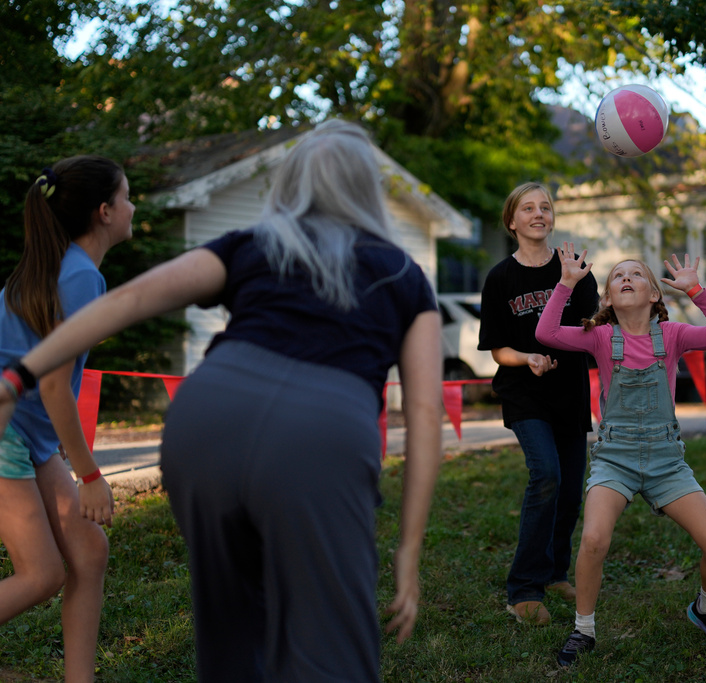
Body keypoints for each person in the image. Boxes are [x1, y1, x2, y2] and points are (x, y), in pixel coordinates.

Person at [0, 120, 443, 682]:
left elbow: (133, 299)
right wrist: (407, 548)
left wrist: (19, 377)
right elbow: (425, 413)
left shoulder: (252, 245)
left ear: (290, 186)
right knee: (333, 650)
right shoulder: (404, 274)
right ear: (369, 190)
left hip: (207, 420)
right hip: (323, 435)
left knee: (232, 639)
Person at [536, 244, 706, 666]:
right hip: (616, 460)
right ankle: (584, 630)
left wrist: (697, 291)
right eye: (617, 276)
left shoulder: (673, 335)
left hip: (667, 461)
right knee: (594, 539)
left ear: (654, 295)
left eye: (636, 274)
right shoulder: (599, 337)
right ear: (608, 298)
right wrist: (565, 283)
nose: (626, 278)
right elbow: (546, 335)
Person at [0, 155, 131, 682]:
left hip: (27, 438)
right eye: (126, 197)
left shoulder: (67, 269)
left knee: (88, 550)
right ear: (104, 212)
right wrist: (91, 476)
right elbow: (53, 384)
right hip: (6, 433)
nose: (132, 206)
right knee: (41, 574)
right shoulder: (79, 277)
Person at [477, 183, 599, 625]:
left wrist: (572, 285)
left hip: (568, 390)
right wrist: (527, 357)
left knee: (569, 489)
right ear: (512, 222)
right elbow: (497, 349)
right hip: (523, 391)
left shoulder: (576, 268)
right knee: (545, 474)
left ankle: (554, 574)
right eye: (527, 208)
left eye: (545, 207)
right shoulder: (500, 279)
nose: (538, 214)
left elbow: (594, 327)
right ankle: (523, 588)